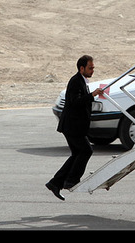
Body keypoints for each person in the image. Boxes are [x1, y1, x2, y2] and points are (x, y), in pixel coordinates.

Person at [46, 55, 103, 201]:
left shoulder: (82, 81)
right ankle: (71, 180)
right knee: (85, 150)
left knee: (77, 154)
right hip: (72, 126)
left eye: (93, 68)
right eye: (90, 68)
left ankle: (55, 183)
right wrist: (92, 95)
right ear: (81, 68)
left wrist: (92, 95)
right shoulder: (76, 81)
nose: (92, 70)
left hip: (74, 126)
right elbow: (75, 102)